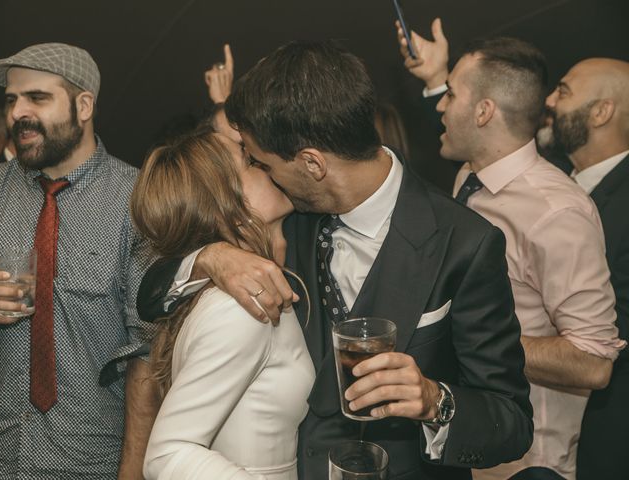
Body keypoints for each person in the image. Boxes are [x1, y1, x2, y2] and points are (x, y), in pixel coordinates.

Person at [137, 40, 534, 479]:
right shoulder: (287, 215)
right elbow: (153, 293)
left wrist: (434, 400)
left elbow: (511, 421)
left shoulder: (465, 243)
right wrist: (211, 257)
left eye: (262, 162)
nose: (258, 170)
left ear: (312, 163)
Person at [396, 23, 625, 480]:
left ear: (483, 112)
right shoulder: (470, 177)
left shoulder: (557, 212)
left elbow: (594, 361)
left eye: (451, 95)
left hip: (527, 462)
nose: (441, 104)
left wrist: (475, 343)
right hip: (463, 436)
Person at [0, 43, 155, 479]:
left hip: (89, 461)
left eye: (37, 98)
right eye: (11, 100)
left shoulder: (137, 199)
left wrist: (133, 471)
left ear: (84, 106)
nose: (18, 113)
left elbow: (148, 353)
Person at [131, 128, 314, 479]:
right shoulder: (243, 308)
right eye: (249, 162)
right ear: (230, 205)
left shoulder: (239, 287)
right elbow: (166, 455)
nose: (264, 162)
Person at [543, 58, 629, 480]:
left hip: (606, 438)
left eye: (562, 91)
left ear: (601, 112)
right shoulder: (558, 178)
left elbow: (617, 334)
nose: (548, 101)